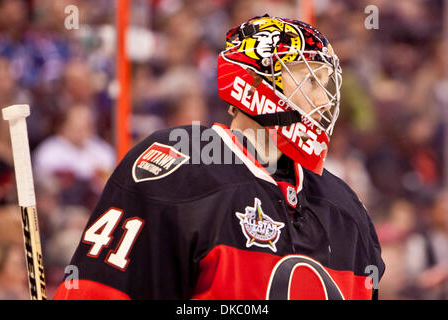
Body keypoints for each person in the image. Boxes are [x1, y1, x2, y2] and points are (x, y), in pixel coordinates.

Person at [53, 15, 385, 300]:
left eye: (326, 84)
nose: (323, 100)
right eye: (309, 78)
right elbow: (104, 289)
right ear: (255, 81)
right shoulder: (180, 166)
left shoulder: (346, 208)